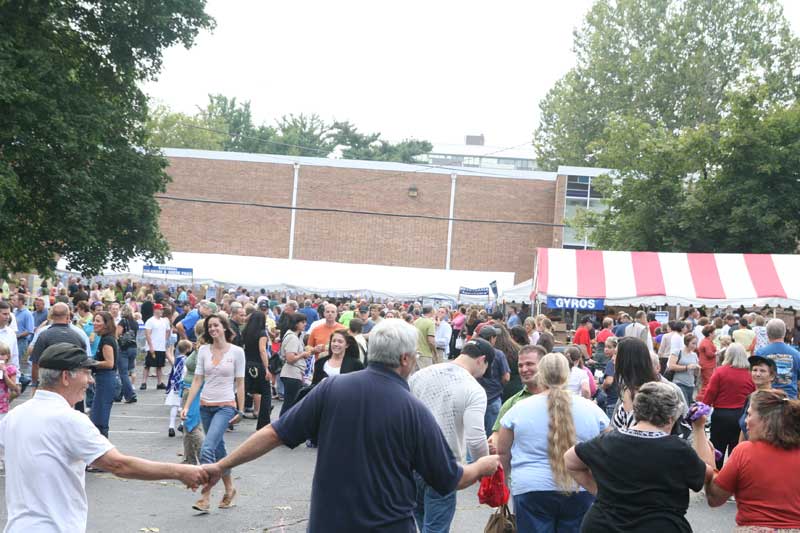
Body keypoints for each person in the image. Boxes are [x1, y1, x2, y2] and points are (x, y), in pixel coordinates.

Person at [199, 319, 501, 531]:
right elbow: (449, 479)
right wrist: (482, 466)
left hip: (328, 523)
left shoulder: (333, 389)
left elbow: (273, 432)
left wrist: (222, 464)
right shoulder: (414, 410)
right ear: (406, 359)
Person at [0, 343, 207, 532]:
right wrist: (180, 471)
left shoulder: (15, 415)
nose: (90, 380)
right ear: (65, 377)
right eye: (86, 373)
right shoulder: (70, 420)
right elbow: (119, 465)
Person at [564, 381, 710, 533]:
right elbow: (707, 475)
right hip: (659, 526)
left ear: (637, 410)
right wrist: (699, 429)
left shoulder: (607, 441)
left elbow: (570, 460)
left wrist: (600, 492)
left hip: (603, 523)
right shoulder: (677, 449)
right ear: (670, 418)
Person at [495, 353, 609, 533]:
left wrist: (503, 487)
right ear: (568, 375)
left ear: (540, 374)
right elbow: (609, 450)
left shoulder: (517, 410)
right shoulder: (593, 410)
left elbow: (503, 453)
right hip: (580, 487)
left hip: (530, 487)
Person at [409, 337, 493, 532]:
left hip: (412, 463)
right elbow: (475, 437)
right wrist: (482, 467)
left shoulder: (420, 375)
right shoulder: (473, 389)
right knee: (436, 528)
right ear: (481, 360)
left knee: (420, 523)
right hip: (445, 465)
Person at [703, 389, 800, 529]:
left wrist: (710, 468)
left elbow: (715, 498)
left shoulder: (745, 452)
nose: (745, 421)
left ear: (765, 420)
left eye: (748, 415)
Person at [181, 314, 246, 513]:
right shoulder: (203, 351)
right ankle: (229, 489)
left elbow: (240, 382)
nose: (212, 329)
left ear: (225, 327)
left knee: (207, 448)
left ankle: (205, 496)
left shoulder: (236, 352)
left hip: (225, 406)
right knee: (219, 450)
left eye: (216, 325)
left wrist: (241, 410)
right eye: (209, 326)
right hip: (205, 405)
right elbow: (197, 380)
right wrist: (186, 406)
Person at [699, 343, 754, 469]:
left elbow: (710, 393)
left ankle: (716, 476)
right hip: (742, 415)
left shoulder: (720, 372)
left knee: (717, 449)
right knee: (737, 450)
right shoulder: (749, 374)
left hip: (721, 415)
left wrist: (703, 411)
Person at [488, 344, 546, 452]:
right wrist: (493, 443)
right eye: (520, 365)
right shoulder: (512, 403)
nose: (524, 369)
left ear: (544, 366)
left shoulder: (560, 399)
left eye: (529, 364)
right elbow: (496, 435)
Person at [476, 326, 511, 436]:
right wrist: (499, 385)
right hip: (493, 398)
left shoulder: (473, 354)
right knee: (492, 437)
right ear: (491, 339)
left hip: (475, 400)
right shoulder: (498, 354)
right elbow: (506, 377)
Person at [241, 310, 273, 430]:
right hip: (258, 365)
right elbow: (262, 350)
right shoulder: (262, 333)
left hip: (247, 363)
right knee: (266, 393)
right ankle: (263, 422)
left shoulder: (245, 331)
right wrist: (267, 368)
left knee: (244, 390)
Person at [88, 311, 118, 439]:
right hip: (104, 379)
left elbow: (109, 363)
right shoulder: (106, 338)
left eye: (98, 321)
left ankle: (102, 444)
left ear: (106, 324)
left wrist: (92, 362)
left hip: (106, 379)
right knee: (97, 413)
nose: (95, 323)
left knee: (100, 415)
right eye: (94, 320)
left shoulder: (107, 340)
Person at [755, 318, 800, 399]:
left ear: (767, 333)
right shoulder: (796, 354)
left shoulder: (760, 353)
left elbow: (757, 378)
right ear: (784, 333)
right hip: (789, 399)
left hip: (767, 398)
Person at [738, 355, 777, 441]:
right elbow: (743, 428)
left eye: (762, 371)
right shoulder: (751, 397)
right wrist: (739, 450)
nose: (757, 374)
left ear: (772, 376)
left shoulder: (774, 400)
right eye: (755, 370)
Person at [165, 340, 192, 437]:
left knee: (174, 406)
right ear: (188, 349)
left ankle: (171, 426)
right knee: (186, 406)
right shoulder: (187, 360)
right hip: (183, 385)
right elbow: (184, 372)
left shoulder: (177, 359)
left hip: (174, 385)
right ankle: (182, 424)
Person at [142, 303, 170, 390]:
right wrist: (150, 346)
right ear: (155, 310)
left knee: (160, 366)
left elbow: (168, 331)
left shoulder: (164, 321)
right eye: (160, 309)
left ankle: (159, 382)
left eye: (162, 309)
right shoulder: (150, 321)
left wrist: (164, 339)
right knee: (148, 365)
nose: (162, 311)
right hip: (152, 347)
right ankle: (144, 382)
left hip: (161, 347)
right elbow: (147, 334)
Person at [667, 334, 700, 405]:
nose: (695, 346)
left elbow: (695, 373)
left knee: (688, 406)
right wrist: (686, 367)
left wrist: (697, 369)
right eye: (693, 343)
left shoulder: (694, 355)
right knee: (684, 406)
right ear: (687, 342)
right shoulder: (677, 352)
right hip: (679, 383)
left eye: (696, 343)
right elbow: (671, 366)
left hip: (691, 384)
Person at [115, 304, 139, 403]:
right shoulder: (135, 322)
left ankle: (130, 395)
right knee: (127, 372)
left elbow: (117, 334)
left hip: (124, 348)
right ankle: (119, 395)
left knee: (123, 373)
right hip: (133, 348)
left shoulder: (123, 321)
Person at [696, 324, 718, 401]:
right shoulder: (707, 342)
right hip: (707, 365)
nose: (715, 334)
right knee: (707, 383)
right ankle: (701, 399)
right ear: (710, 334)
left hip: (706, 364)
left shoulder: (706, 341)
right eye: (714, 332)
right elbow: (709, 354)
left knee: (706, 382)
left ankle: (702, 398)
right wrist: (717, 353)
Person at [0, 342, 20, 422]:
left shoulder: (10, 369)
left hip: (2, 404)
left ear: (7, 356)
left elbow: (13, 387)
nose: (0, 357)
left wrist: (5, 374)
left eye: (2, 354)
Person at [600, 336, 619, 418]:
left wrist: (602, 387)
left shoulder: (611, 363)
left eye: (609, 347)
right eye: (605, 347)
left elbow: (608, 381)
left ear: (616, 348)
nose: (606, 349)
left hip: (612, 401)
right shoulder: (622, 361)